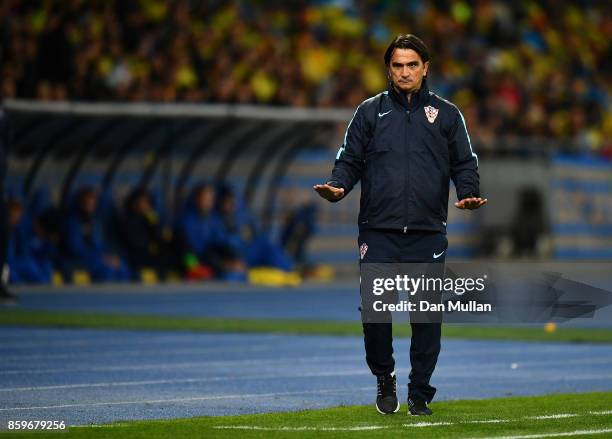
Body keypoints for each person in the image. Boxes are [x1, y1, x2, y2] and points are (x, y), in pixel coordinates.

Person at [314, 34, 487, 416]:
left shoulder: (446, 114)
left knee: (426, 318)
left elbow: (464, 161)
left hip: (427, 233)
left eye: (412, 65)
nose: (405, 72)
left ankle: (420, 392)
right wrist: (339, 186)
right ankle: (384, 376)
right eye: (397, 65)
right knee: (375, 314)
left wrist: (469, 190)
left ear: (426, 68)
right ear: (388, 70)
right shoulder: (369, 113)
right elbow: (350, 159)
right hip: (378, 231)